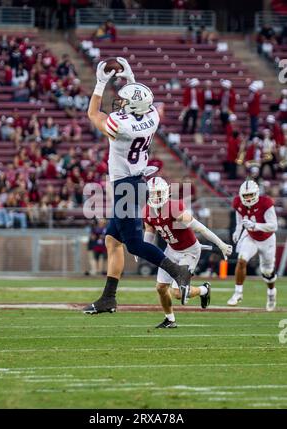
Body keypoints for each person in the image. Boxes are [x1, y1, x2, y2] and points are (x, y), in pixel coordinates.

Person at [83, 57, 195, 314]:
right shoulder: (152, 116)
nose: (119, 104)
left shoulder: (122, 126)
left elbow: (92, 113)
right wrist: (131, 78)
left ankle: (178, 271)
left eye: (124, 102)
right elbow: (140, 99)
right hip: (136, 182)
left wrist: (100, 84)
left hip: (126, 186)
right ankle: (108, 298)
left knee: (133, 244)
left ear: (134, 106)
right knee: (112, 240)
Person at [144, 177, 233, 328]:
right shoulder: (147, 210)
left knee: (177, 293)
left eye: (159, 193)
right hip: (171, 250)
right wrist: (143, 247)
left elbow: (200, 228)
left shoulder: (174, 207)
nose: (156, 197)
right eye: (153, 193)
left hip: (189, 251)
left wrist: (221, 244)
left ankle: (204, 290)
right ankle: (170, 320)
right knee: (160, 288)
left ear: (165, 193)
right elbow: (149, 231)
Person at [228, 180, 278, 311]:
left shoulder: (266, 203)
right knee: (242, 259)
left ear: (256, 193)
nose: (248, 198)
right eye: (245, 196)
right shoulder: (238, 202)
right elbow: (240, 221)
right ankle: (238, 293)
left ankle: (271, 293)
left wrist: (256, 226)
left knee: (267, 271)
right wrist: (237, 231)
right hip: (251, 236)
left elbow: (274, 226)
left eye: (251, 195)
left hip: (267, 239)